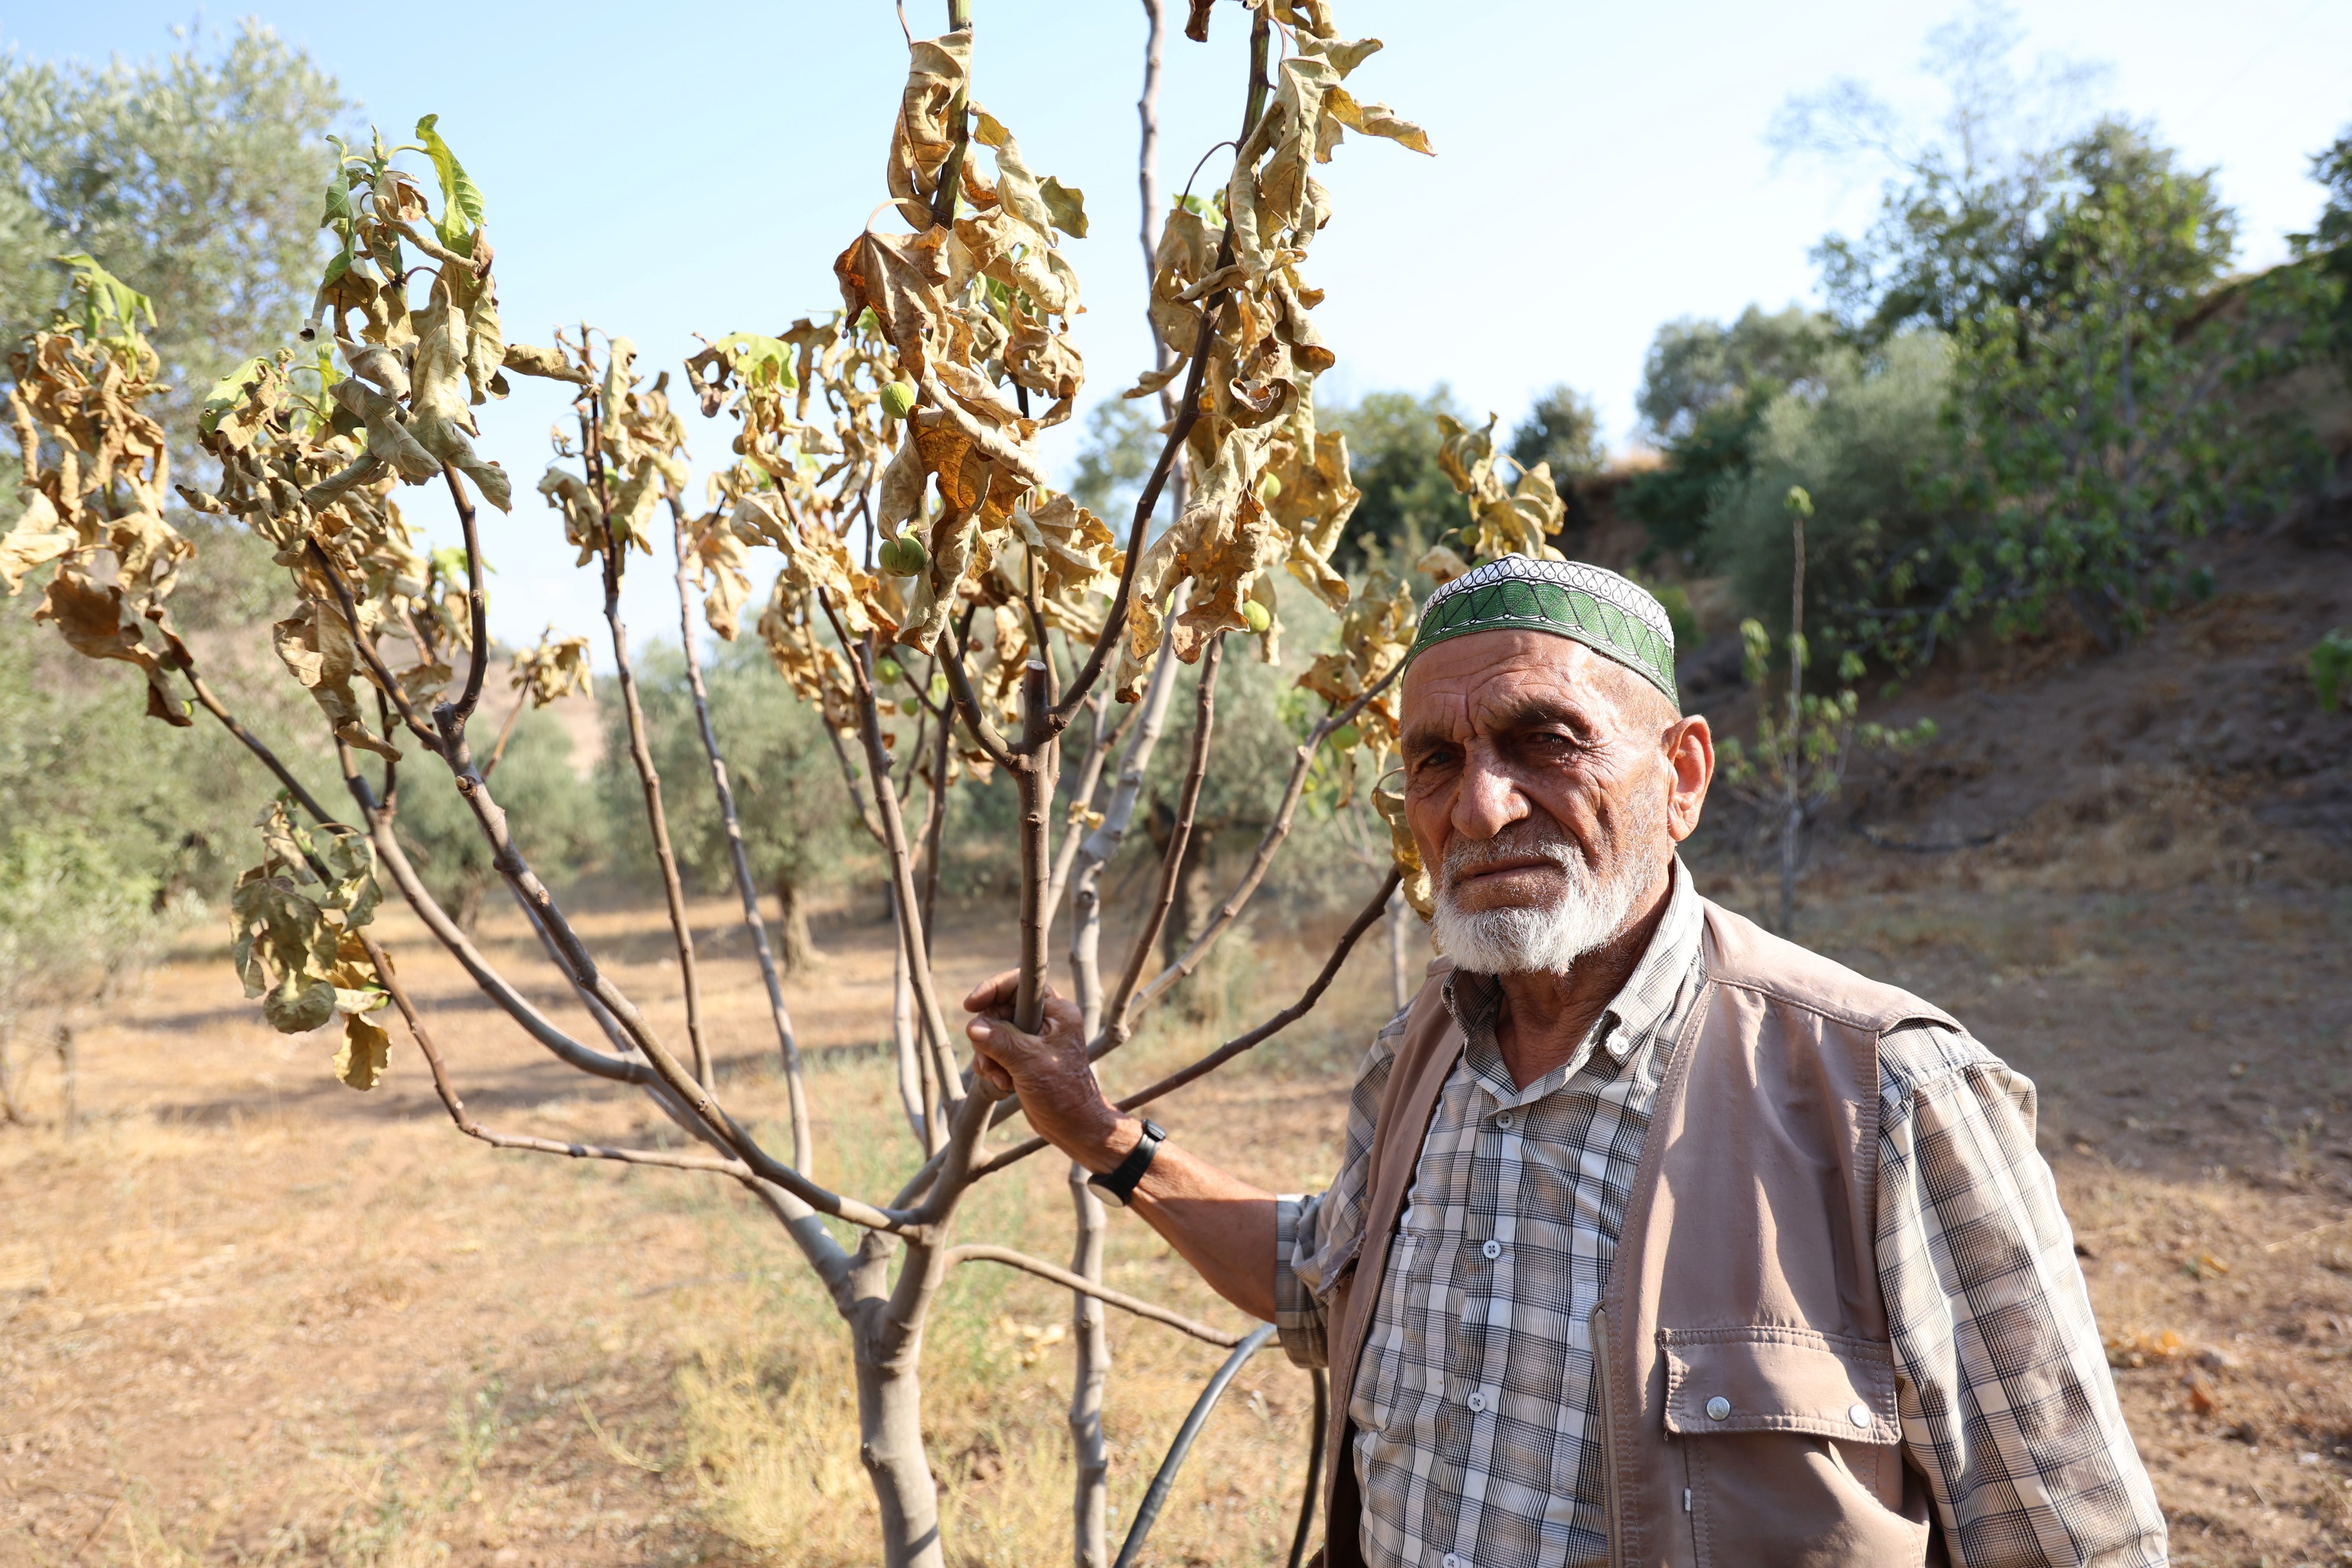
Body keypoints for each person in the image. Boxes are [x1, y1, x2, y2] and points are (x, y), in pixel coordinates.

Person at [962, 554, 2166, 1567]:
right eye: (1435, 759)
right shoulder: (1417, 1055)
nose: (1480, 808)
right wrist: (1096, 1129)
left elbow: (2070, 1534)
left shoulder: (1887, 1090)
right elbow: (1329, 1287)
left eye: (1547, 740)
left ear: (1682, 773)